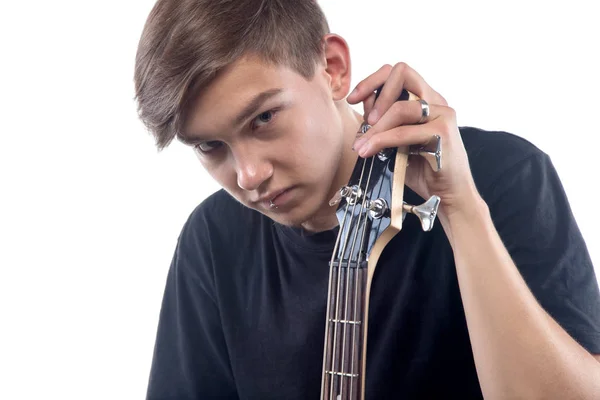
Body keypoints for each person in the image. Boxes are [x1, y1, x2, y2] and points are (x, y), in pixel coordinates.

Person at [134, 0, 600, 398]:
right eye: (210, 146)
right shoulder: (213, 239)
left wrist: (462, 211)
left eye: (263, 118)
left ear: (333, 69)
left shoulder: (504, 175)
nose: (248, 174)